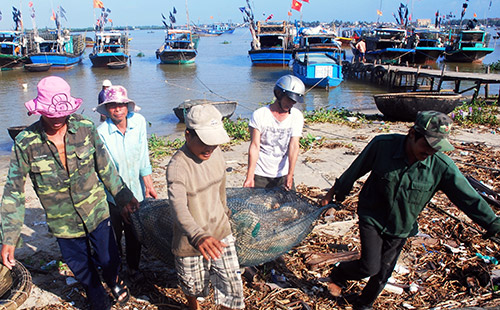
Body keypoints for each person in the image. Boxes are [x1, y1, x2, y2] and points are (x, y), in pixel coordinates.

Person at [320, 111, 500, 310]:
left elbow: (468, 198)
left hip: (401, 224)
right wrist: (335, 194)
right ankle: (339, 275)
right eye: (428, 145)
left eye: (436, 147)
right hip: (372, 215)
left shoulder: (441, 166)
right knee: (369, 266)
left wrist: (493, 224)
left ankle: (364, 304)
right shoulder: (382, 145)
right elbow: (354, 170)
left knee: (384, 273)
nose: (430, 152)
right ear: (413, 134)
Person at [0, 76, 140, 310]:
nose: (56, 119)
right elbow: (13, 192)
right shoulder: (26, 143)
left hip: (96, 209)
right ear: (39, 111)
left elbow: (105, 167)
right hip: (63, 221)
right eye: (50, 114)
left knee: (109, 258)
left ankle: (114, 280)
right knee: (80, 265)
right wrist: (9, 238)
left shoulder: (85, 128)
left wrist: (123, 197)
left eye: (60, 114)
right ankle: (96, 294)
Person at [166, 104, 245, 310]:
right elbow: (178, 206)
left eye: (214, 142)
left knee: (231, 285)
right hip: (190, 239)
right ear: (188, 135)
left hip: (220, 231)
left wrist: (226, 214)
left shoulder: (216, 153)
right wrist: (197, 235)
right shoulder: (178, 166)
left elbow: (221, 190)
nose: (209, 148)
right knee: (193, 285)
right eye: (203, 142)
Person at [95, 85, 157, 282]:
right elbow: (106, 169)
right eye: (112, 106)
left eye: (121, 105)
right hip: (112, 196)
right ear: (106, 109)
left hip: (136, 190)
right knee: (114, 234)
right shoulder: (101, 132)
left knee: (135, 233)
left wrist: (149, 183)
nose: (118, 109)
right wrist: (120, 200)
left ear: (128, 106)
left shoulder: (138, 122)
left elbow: (142, 154)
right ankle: (115, 270)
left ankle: (133, 268)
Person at [243, 75, 305, 190]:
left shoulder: (296, 116)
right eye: (289, 99)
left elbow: (294, 146)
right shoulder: (260, 114)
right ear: (279, 94)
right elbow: (255, 146)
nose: (291, 104)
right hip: (260, 173)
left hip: (283, 173)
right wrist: (250, 176)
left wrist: (290, 174)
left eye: (294, 101)